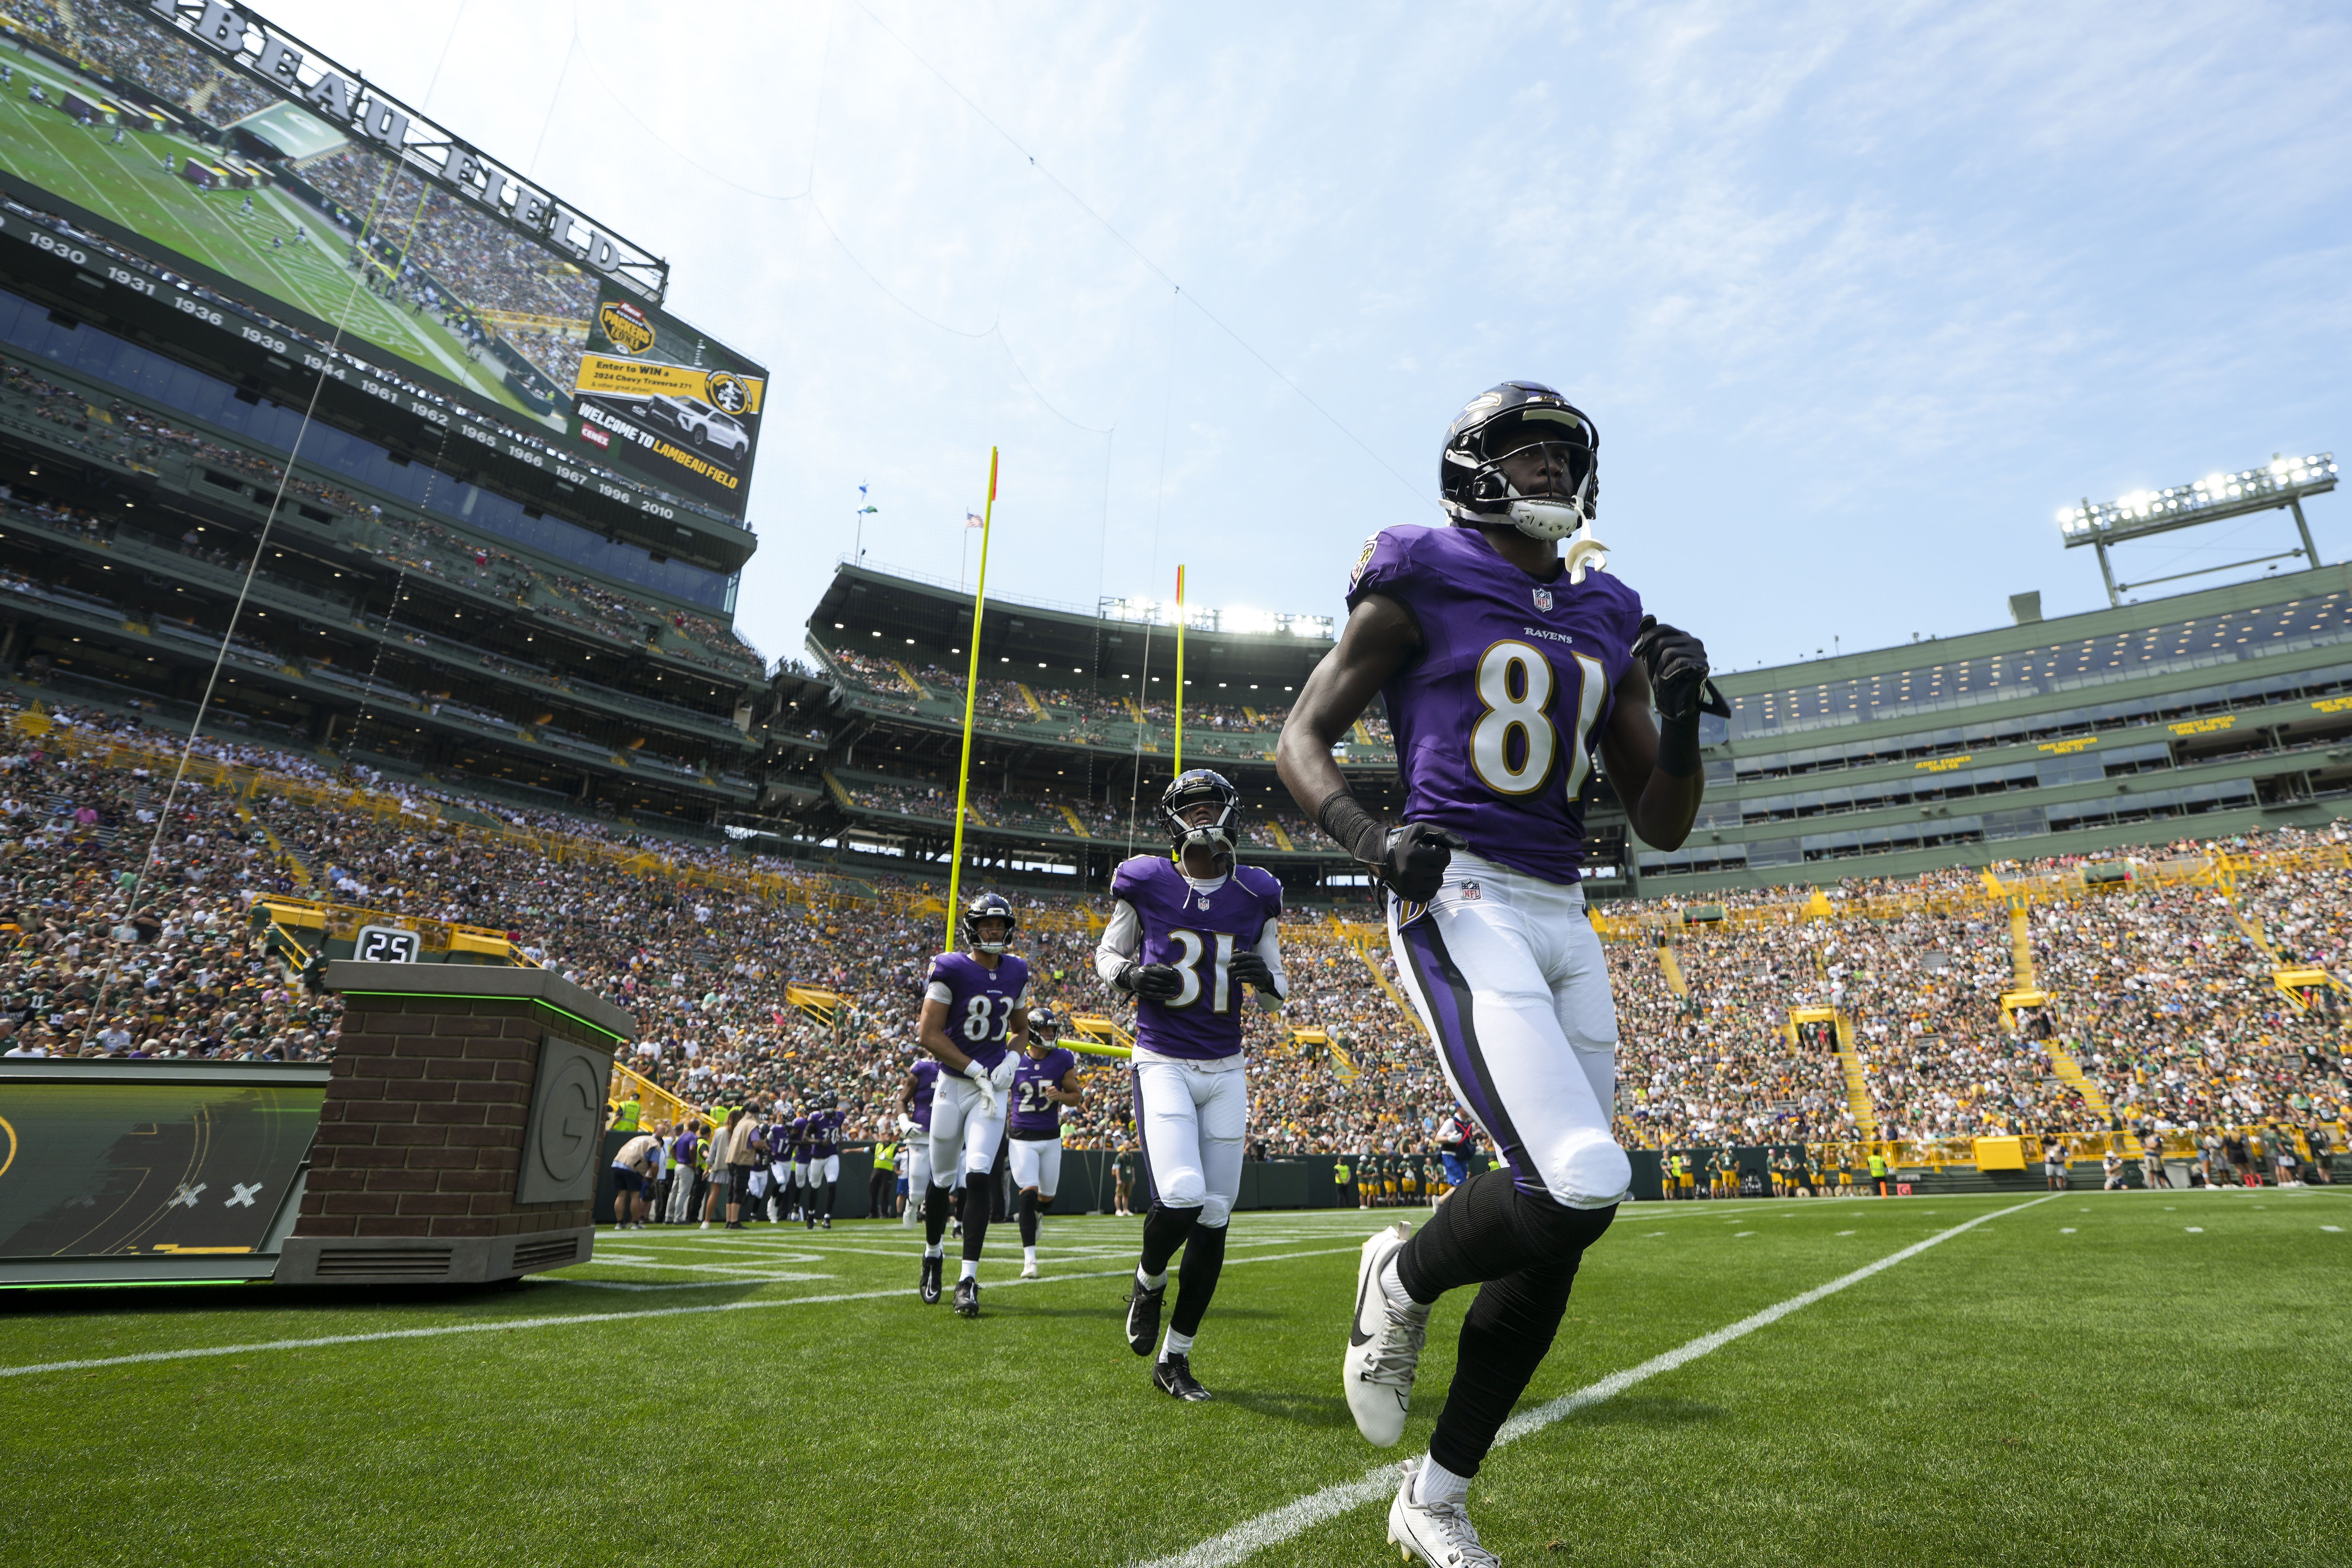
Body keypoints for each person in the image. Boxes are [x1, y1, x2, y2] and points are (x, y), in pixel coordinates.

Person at [1276, 381, 1713, 1564]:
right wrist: (1373, 841)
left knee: (1565, 1220)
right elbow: (1298, 740)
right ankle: (1402, 1273)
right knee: (1577, 1175)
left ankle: (1435, 1497)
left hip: (1563, 909)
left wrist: (1676, 718)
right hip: (1456, 889)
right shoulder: (1419, 563)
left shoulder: (1607, 605)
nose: (1549, 473)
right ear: (1473, 466)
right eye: (1528, 455)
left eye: (1563, 457)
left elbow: (1660, 822)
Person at [1097, 769, 1288, 1402]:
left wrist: (1263, 981)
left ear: (1231, 814)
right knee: (1179, 1193)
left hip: (1226, 1066)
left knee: (1214, 1215)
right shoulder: (1147, 878)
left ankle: (1175, 1358)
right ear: (1172, 818)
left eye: (1211, 804)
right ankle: (1148, 1280)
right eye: (1192, 806)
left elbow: (1277, 998)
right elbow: (1105, 955)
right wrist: (1128, 975)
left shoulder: (1257, 890)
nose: (1202, 815)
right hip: (1163, 1060)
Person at [916, 892, 1030, 1317]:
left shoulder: (1017, 969)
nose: (995, 932)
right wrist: (975, 1068)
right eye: (987, 926)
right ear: (973, 928)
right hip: (953, 1084)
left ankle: (968, 1278)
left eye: (1000, 926)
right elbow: (928, 1034)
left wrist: (1013, 1059)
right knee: (943, 1178)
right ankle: (932, 1253)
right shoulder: (950, 967)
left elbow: (1020, 1029)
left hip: (992, 1090)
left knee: (979, 1174)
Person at [1008, 1006, 1083, 1279]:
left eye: (1053, 1030)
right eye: (1045, 1030)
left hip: (1050, 1137)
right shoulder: (1013, 1057)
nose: (1050, 1035)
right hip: (1022, 1137)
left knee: (1046, 1199)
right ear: (1032, 1033)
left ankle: (1040, 1214)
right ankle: (1030, 1261)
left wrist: (1060, 1096)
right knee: (1027, 1193)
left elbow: (1076, 1096)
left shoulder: (1062, 1058)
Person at [898, 1056, 939, 1227]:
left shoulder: (959, 1065)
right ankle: (911, 1205)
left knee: (949, 1184)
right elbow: (902, 1100)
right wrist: (904, 1122)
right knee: (917, 1192)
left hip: (949, 1133)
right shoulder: (922, 1068)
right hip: (921, 1134)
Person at [802, 1089, 844, 1229]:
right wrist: (820, 1142)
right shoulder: (816, 1119)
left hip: (832, 1155)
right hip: (817, 1157)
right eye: (828, 1103)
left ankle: (827, 1218)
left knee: (832, 1184)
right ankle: (811, 1213)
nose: (830, 1105)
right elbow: (805, 1138)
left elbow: (837, 1128)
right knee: (815, 1187)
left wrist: (839, 1136)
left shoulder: (840, 1116)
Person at [610, 1129, 657, 1230]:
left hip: (617, 1164)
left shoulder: (639, 1139)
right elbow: (655, 1165)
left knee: (621, 1195)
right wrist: (655, 1178)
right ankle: (635, 1223)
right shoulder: (655, 1145)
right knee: (635, 1196)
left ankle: (620, 1224)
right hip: (632, 1168)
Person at [871, 1136, 899, 1220]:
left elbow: (900, 1150)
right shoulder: (878, 1146)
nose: (888, 1136)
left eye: (890, 1134)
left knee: (885, 1193)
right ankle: (873, 1213)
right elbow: (866, 1150)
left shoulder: (894, 1146)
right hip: (877, 1170)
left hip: (887, 1172)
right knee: (873, 1192)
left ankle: (884, 1213)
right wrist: (851, 1150)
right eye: (887, 1134)